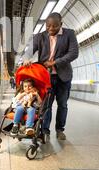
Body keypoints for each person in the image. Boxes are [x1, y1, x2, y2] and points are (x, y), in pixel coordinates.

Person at [23, 12, 79, 140]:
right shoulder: (39, 37)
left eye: (54, 26)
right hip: (45, 77)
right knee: (46, 105)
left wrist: (54, 62)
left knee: (62, 104)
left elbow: (74, 53)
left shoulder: (69, 34)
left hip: (63, 76)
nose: (51, 29)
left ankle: (59, 130)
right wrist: (26, 58)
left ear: (61, 24)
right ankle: (45, 131)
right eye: (48, 26)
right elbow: (29, 51)